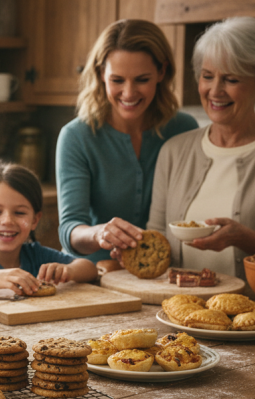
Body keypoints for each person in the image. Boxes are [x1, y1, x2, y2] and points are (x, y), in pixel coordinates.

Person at [147, 17, 255, 279]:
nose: (215, 90)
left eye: (231, 79)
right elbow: (156, 237)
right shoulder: (173, 151)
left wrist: (246, 239)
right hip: (179, 310)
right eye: (207, 76)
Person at [56, 19, 199, 264]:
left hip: (166, 273)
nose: (129, 93)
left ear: (161, 72)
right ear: (102, 73)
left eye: (142, 79)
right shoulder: (77, 137)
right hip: (94, 275)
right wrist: (98, 233)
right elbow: (70, 229)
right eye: (118, 80)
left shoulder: (184, 130)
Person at [0, 163, 97, 295]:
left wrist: (68, 270)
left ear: (35, 220)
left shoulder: (37, 255)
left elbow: (89, 268)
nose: (7, 221)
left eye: (19, 213)